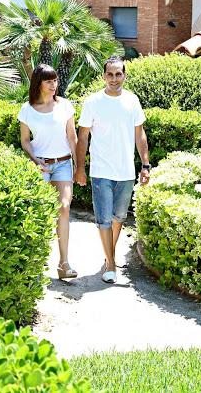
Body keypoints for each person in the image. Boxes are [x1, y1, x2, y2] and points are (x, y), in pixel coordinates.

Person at [74, 56, 150, 284]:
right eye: (110, 74)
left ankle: (109, 255)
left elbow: (140, 134)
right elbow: (83, 137)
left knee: (119, 217)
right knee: (104, 219)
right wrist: (80, 168)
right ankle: (110, 262)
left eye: (118, 74)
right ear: (104, 76)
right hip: (100, 171)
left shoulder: (132, 101)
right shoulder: (93, 102)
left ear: (124, 75)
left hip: (126, 171)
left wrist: (145, 165)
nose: (114, 79)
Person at [18, 64, 78, 279]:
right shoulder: (27, 109)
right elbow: (25, 141)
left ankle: (64, 264)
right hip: (40, 166)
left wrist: (79, 166)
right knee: (41, 213)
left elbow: (72, 138)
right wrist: (35, 160)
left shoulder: (65, 105)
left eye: (55, 81)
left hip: (63, 163)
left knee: (64, 208)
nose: (54, 85)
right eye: (49, 81)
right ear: (39, 84)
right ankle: (37, 264)